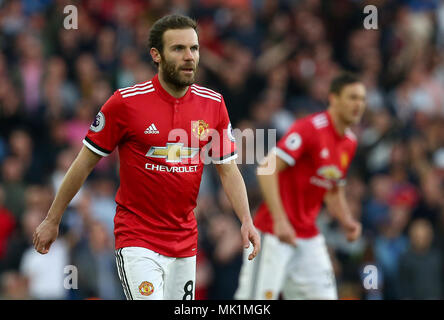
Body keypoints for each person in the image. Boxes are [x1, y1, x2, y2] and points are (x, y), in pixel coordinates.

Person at [33, 14, 260, 300]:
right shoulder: (126, 103)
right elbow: (83, 163)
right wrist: (52, 219)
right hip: (137, 239)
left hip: (185, 240)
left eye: (194, 48)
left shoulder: (213, 104)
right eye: (178, 49)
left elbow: (228, 170)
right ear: (157, 55)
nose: (189, 56)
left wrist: (246, 220)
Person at [235, 73, 366, 300]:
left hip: (307, 236)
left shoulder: (349, 142)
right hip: (273, 233)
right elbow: (266, 169)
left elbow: (333, 189)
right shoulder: (310, 128)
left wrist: (347, 221)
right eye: (352, 97)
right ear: (333, 99)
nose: (359, 105)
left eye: (362, 99)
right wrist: (280, 219)